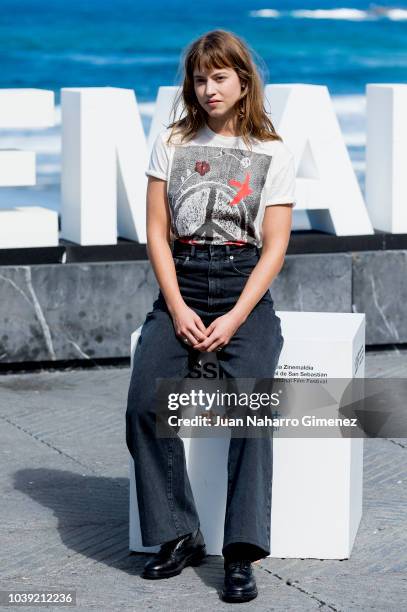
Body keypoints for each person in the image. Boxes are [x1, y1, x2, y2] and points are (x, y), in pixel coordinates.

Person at [126, 29, 296, 604]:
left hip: (243, 285)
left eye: (220, 77)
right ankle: (179, 533)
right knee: (145, 402)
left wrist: (234, 317)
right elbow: (155, 229)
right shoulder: (171, 140)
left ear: (243, 80)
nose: (208, 88)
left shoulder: (272, 149)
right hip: (184, 277)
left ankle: (241, 552)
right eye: (200, 79)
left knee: (253, 407)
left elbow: (274, 245)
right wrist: (177, 307)